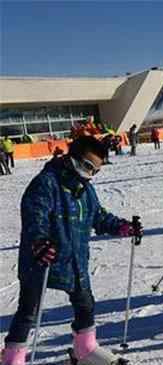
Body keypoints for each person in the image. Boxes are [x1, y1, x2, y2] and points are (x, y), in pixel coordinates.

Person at [1, 136, 142, 365]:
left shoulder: (86, 190)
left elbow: (99, 216)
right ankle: (13, 358)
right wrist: (39, 242)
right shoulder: (46, 182)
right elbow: (34, 216)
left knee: (85, 303)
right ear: (72, 157)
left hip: (75, 259)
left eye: (96, 170)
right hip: (43, 258)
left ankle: (84, 348)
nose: (90, 174)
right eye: (88, 166)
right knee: (30, 310)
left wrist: (123, 227)